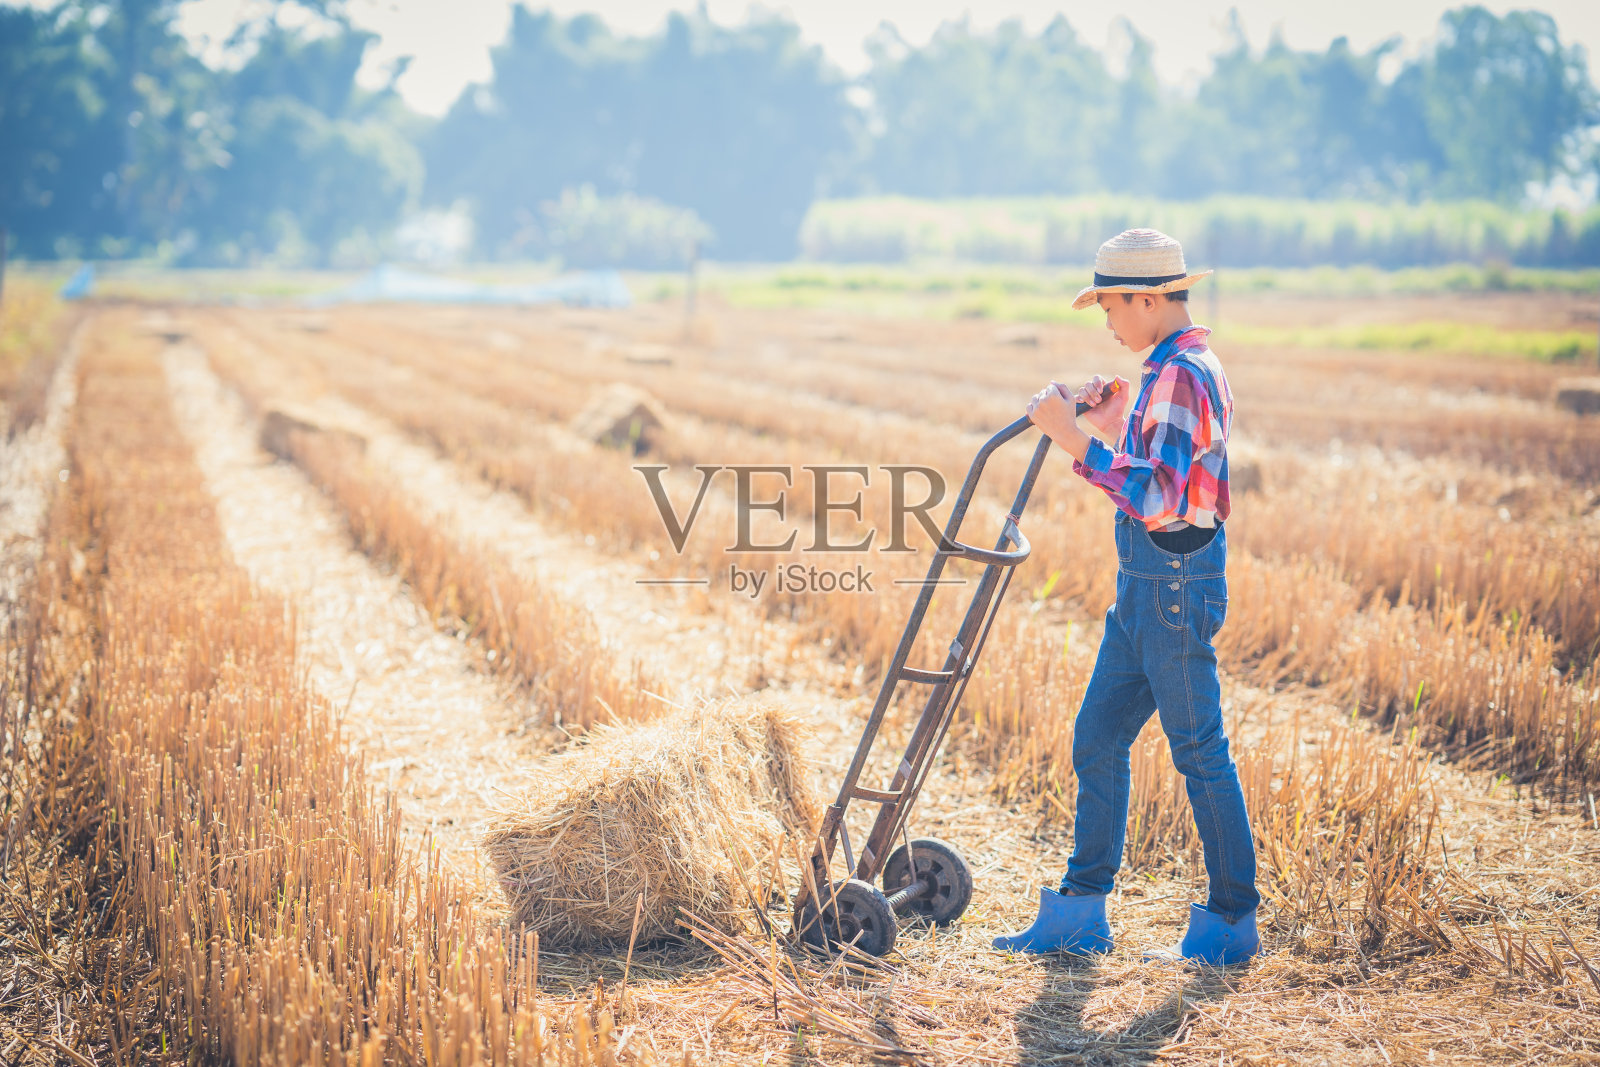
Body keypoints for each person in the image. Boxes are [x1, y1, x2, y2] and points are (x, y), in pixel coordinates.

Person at [992, 228, 1259, 966]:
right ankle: (1081, 910)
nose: (1107, 321)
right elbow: (1151, 468)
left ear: (1147, 298)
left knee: (1199, 751)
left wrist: (1072, 438)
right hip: (1148, 588)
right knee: (1098, 737)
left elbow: (1158, 496)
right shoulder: (1172, 367)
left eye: (1111, 304)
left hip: (1171, 586)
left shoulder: (1180, 375)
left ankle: (1232, 923)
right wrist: (1109, 426)